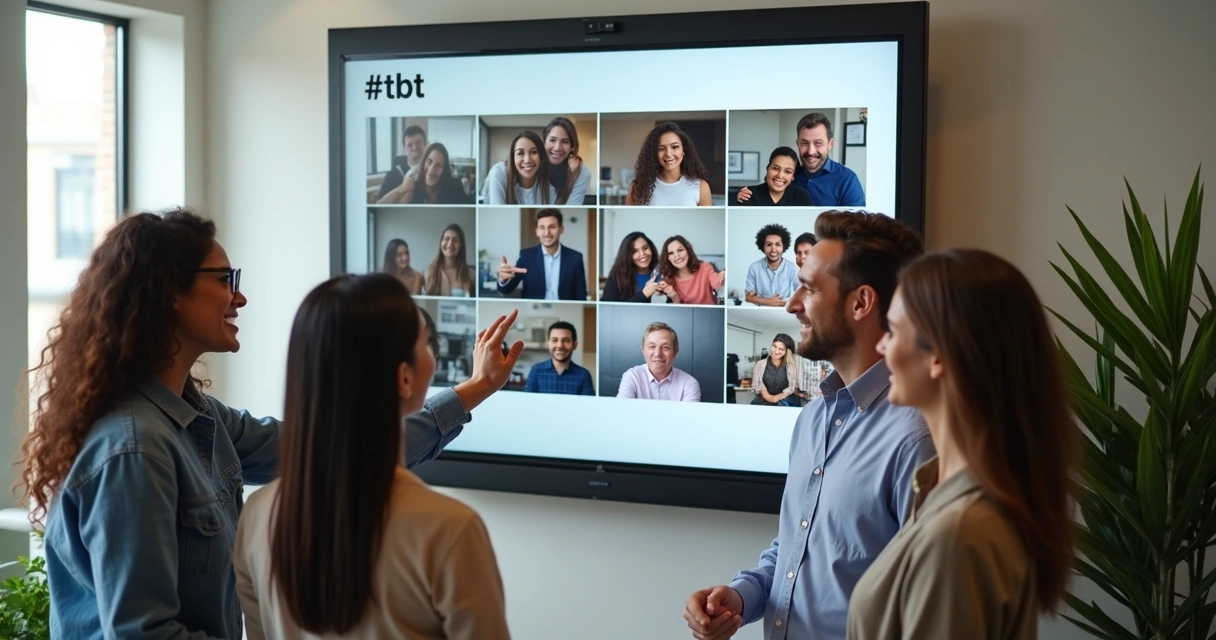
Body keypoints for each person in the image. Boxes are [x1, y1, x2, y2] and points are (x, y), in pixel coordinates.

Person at [21, 208, 518, 640]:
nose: (239, 298)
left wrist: (476, 388)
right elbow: (143, 634)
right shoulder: (135, 450)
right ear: (168, 292)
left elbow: (335, 450)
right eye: (224, 280)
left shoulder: (201, 419)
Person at [683, 210, 934, 640]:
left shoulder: (915, 439)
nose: (791, 303)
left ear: (861, 303)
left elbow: (928, 609)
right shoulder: (814, 418)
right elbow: (796, 548)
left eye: (810, 288)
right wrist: (742, 598)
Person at [234, 274, 516, 640]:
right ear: (403, 378)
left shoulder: (258, 515)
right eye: (426, 344)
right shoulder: (449, 530)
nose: (431, 355)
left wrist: (479, 385)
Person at [846, 249, 1077, 639]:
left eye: (893, 331)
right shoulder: (940, 493)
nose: (882, 348)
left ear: (937, 354)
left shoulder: (958, 533)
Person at [735, 113, 865, 207]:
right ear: (797, 144)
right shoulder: (788, 174)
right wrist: (741, 195)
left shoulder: (848, 180)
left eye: (818, 143)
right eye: (804, 143)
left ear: (830, 144)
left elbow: (855, 226)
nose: (810, 151)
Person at [497, 209, 587, 300]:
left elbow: (581, 295)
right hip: (533, 311)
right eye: (542, 228)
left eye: (552, 227)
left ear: (561, 229)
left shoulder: (575, 258)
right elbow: (506, 290)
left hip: (564, 310)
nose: (547, 233)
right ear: (537, 231)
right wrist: (503, 280)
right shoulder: (527, 256)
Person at [625, 122, 713, 206]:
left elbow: (705, 221)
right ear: (654, 153)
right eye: (661, 149)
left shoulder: (701, 187)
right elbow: (629, 220)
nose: (668, 154)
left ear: (684, 150)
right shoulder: (638, 187)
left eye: (675, 147)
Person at [617, 322, 701, 402]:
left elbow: (688, 417)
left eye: (665, 347)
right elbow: (623, 412)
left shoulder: (689, 384)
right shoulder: (632, 377)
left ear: (675, 352)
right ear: (643, 350)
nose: (657, 354)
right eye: (652, 346)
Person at [378, 142, 471, 205]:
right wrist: (403, 188)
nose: (431, 169)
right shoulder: (413, 186)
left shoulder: (455, 187)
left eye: (438, 165)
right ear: (423, 162)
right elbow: (380, 205)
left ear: (444, 170)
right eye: (429, 161)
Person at [483, 131, 557, 205]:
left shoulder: (550, 186)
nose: (527, 160)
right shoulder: (498, 173)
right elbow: (497, 211)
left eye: (534, 152)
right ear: (513, 158)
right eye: (520, 153)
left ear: (541, 156)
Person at [523, 321, 595, 396]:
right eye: (554, 340)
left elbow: (587, 406)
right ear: (548, 344)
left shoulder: (583, 375)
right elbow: (528, 403)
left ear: (575, 345)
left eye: (566, 340)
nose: (560, 345)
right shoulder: (536, 371)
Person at [658, 235, 724, 305]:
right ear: (668, 258)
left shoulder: (705, 267)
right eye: (671, 253)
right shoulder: (668, 279)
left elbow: (717, 282)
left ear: (688, 251)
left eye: (680, 250)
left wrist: (722, 279)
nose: (677, 256)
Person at [744, 223, 799, 307]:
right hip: (760, 312)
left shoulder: (791, 267)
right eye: (769, 244)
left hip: (783, 311)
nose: (773, 249)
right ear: (763, 247)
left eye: (777, 244)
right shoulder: (754, 268)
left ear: (783, 246)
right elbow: (748, 297)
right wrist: (769, 302)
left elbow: (801, 294)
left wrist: (784, 303)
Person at [600, 231, 664, 303]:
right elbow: (608, 307)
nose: (642, 254)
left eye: (645, 248)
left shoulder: (661, 271)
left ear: (651, 248)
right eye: (635, 251)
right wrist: (645, 294)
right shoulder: (618, 273)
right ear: (627, 255)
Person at [736, 147, 813, 206]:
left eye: (788, 171)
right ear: (768, 168)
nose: (780, 175)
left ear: (793, 176)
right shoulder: (749, 194)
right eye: (775, 168)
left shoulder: (801, 196)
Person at [543, 116, 593, 205]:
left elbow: (571, 206)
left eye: (565, 141)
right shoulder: (533, 165)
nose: (557, 147)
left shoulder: (582, 172)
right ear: (544, 142)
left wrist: (571, 175)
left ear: (572, 147)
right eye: (552, 140)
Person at [375, 124, 427, 202]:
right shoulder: (393, 175)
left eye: (419, 142)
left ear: (425, 145)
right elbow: (378, 206)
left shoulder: (433, 170)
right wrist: (403, 188)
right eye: (409, 145)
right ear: (404, 149)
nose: (415, 148)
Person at [423, 223, 475, 297]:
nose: (450, 244)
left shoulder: (471, 275)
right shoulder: (427, 274)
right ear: (441, 243)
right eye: (446, 239)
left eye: (455, 240)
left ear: (461, 245)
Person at [749, 333, 798, 407]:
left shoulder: (791, 367)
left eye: (781, 349)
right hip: (763, 400)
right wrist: (771, 398)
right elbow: (758, 385)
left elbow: (791, 387)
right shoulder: (760, 364)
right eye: (774, 346)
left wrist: (776, 398)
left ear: (786, 352)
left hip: (784, 399)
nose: (776, 351)